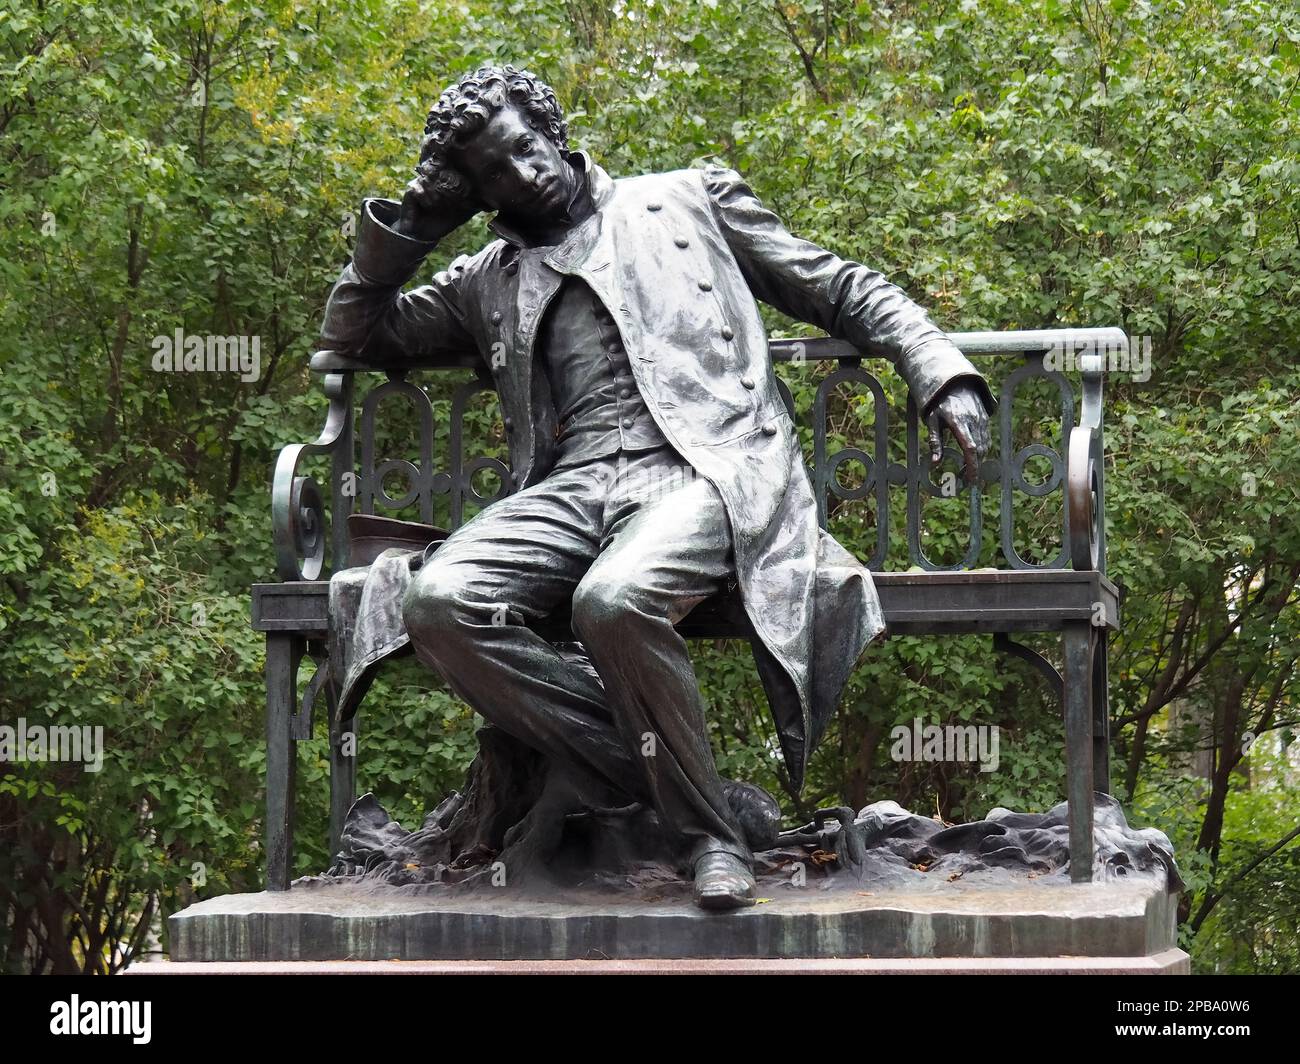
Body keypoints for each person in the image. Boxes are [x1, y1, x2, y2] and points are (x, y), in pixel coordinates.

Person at [321, 64, 993, 909]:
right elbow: (353, 334)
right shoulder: (485, 277)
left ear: (554, 132)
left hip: (706, 465)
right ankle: (686, 780)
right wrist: (413, 224)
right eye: (497, 170)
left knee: (614, 599)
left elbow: (836, 285)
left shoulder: (689, 198)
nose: (524, 173)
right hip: (570, 487)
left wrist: (939, 368)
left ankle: (709, 836)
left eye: (528, 147)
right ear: (478, 192)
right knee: (436, 603)